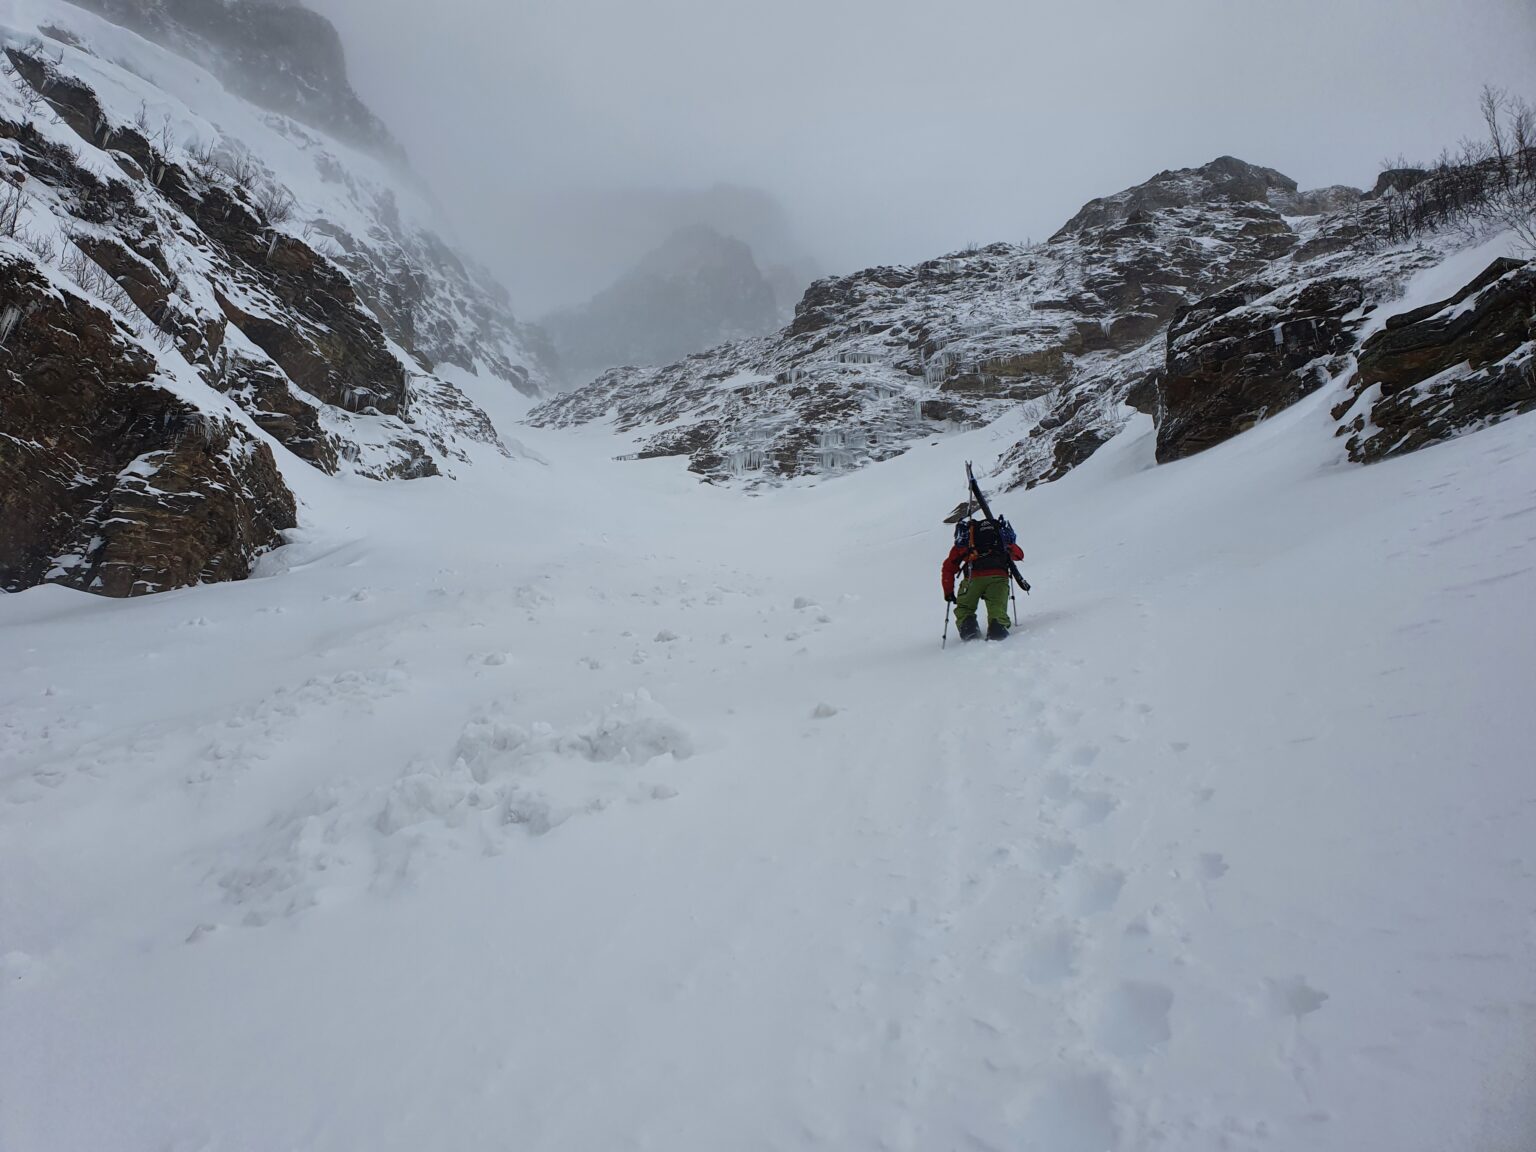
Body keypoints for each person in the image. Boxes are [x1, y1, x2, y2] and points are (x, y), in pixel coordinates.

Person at [942, 515, 1024, 641]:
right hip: (998, 577)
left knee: (965, 608)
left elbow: (949, 568)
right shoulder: (999, 537)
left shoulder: (968, 541)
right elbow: (1019, 555)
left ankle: (968, 629)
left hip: (972, 578)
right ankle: (997, 628)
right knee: (997, 608)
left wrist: (948, 592)